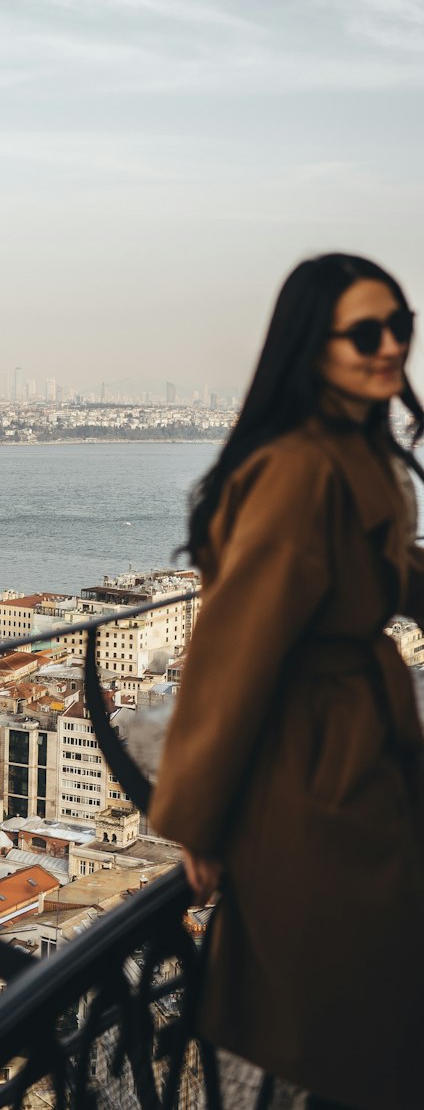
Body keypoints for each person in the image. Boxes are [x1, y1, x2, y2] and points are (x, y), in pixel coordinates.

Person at [149, 253, 424, 1110]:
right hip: (318, 763)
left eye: (401, 328)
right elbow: (236, 650)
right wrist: (198, 823)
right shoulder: (304, 465)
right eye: (366, 332)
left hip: (358, 742)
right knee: (353, 1010)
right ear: (313, 346)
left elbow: (379, 572)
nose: (390, 348)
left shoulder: (354, 447)